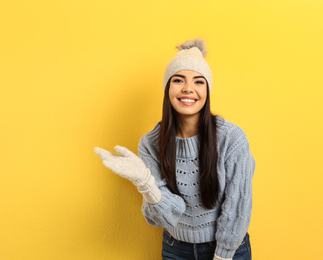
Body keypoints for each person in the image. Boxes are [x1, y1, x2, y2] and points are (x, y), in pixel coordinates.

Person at [94, 38, 255, 260]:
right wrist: (145, 182)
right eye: (179, 80)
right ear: (167, 88)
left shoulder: (231, 138)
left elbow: (238, 206)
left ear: (207, 90)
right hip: (176, 249)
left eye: (199, 82)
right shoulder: (150, 143)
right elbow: (163, 217)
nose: (189, 89)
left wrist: (223, 255)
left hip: (229, 248)